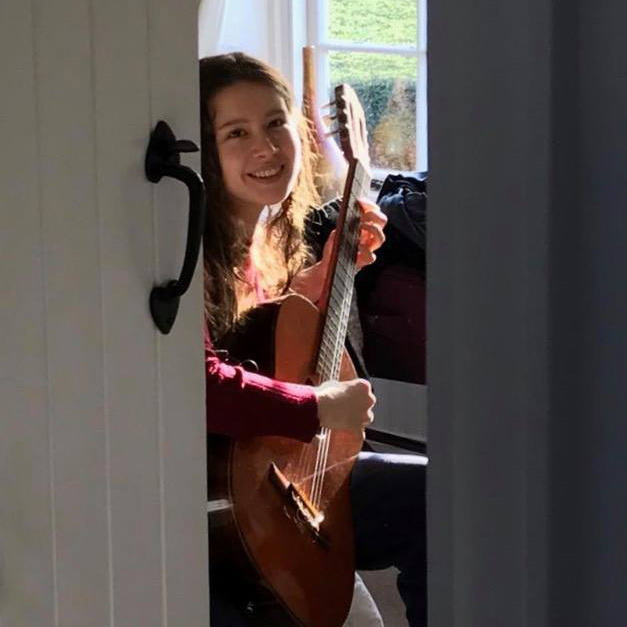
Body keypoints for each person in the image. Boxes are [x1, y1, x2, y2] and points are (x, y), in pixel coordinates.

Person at [200, 52, 427, 627]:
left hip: (289, 481)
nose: (265, 147)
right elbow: (199, 385)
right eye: (236, 133)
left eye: (275, 123)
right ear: (204, 150)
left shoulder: (272, 241)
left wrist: (322, 277)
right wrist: (320, 406)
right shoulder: (188, 255)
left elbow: (264, 339)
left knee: (438, 496)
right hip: (219, 508)